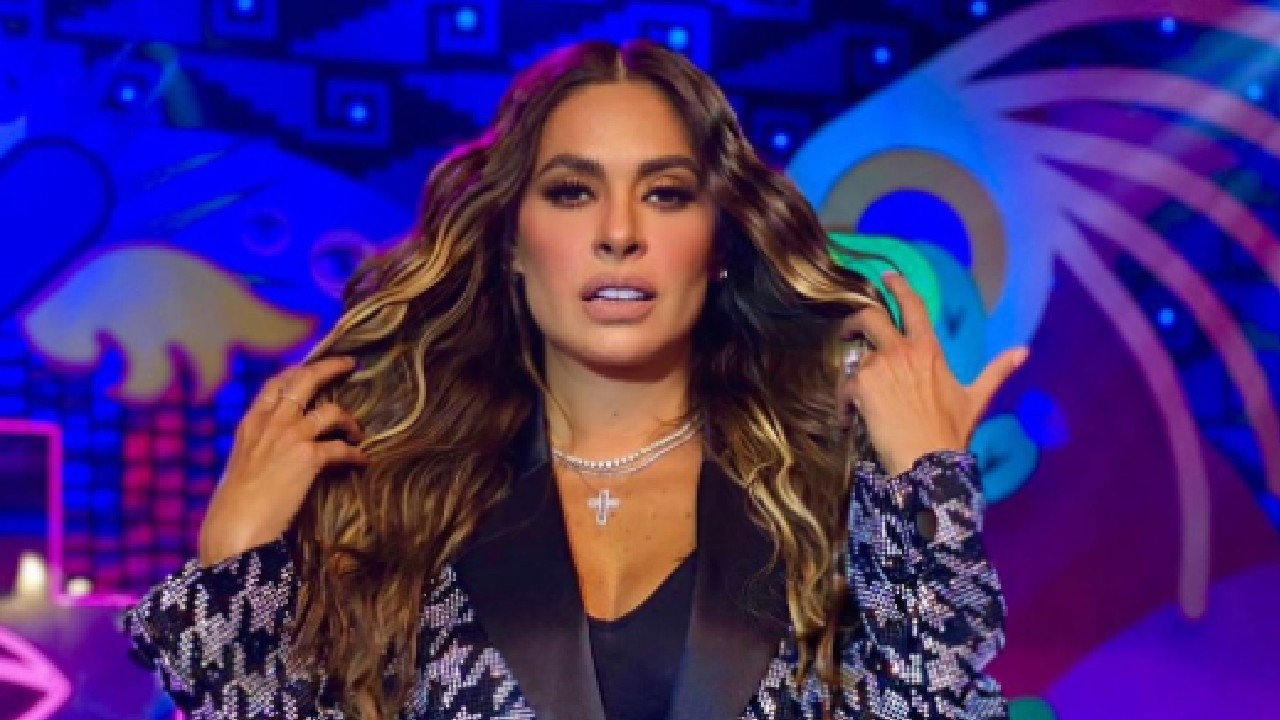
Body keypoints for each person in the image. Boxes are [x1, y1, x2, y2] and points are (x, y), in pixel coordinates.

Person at [123, 39, 1024, 720]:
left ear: (718, 242)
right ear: (513, 240)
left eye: (666, 193)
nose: (619, 233)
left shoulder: (820, 491)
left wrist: (925, 491)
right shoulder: (396, 503)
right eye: (571, 191)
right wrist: (235, 562)